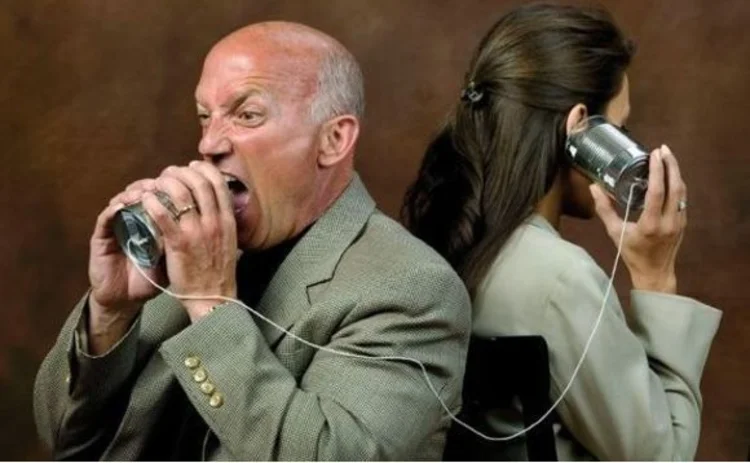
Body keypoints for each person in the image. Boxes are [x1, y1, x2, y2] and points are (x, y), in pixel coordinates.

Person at [34, 21, 471, 460]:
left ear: (333, 140)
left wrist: (209, 303)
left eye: (247, 115)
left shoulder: (411, 287)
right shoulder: (188, 249)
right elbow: (64, 437)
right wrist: (111, 313)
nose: (208, 143)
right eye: (205, 116)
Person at [402, 3, 722, 460]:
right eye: (620, 126)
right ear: (579, 130)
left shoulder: (440, 237)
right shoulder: (559, 278)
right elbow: (660, 456)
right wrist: (656, 278)